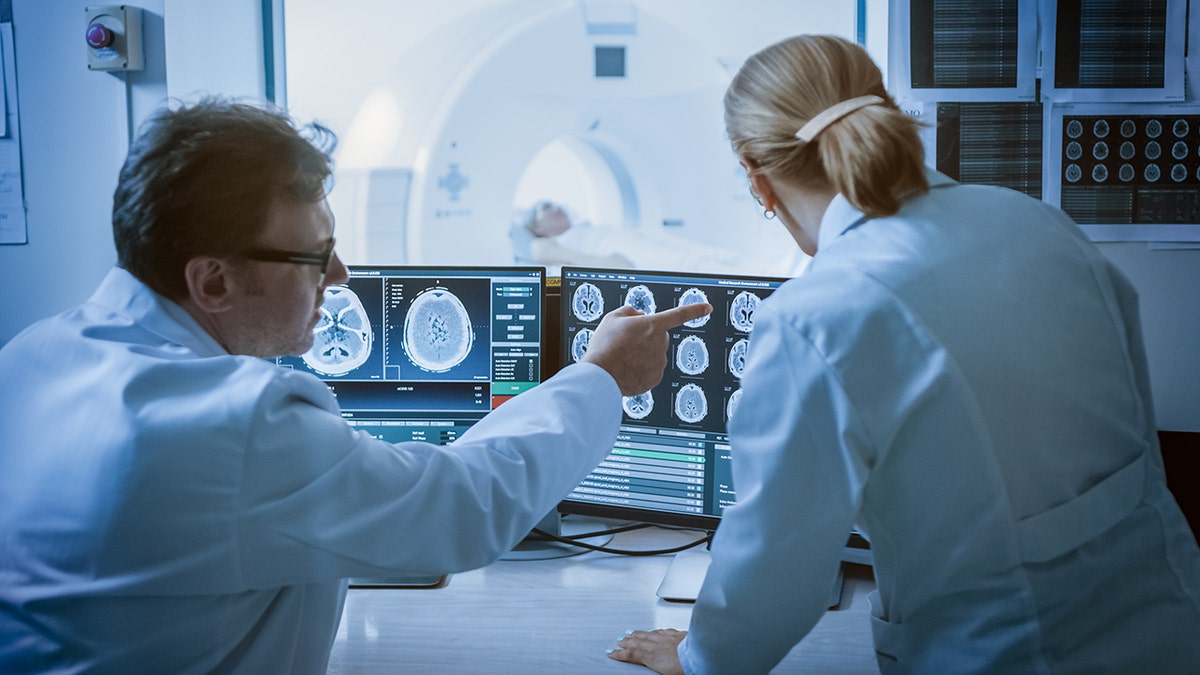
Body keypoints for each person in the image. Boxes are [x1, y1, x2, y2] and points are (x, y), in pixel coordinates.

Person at [0, 98, 710, 673]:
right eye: (316, 254)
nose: (339, 275)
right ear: (212, 280)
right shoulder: (236, 421)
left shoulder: (32, 355)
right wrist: (600, 376)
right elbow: (462, 508)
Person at [607, 34, 1200, 674]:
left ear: (759, 181)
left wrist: (700, 660)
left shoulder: (816, 317)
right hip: (1168, 620)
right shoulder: (1038, 223)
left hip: (1008, 652)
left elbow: (775, 563)